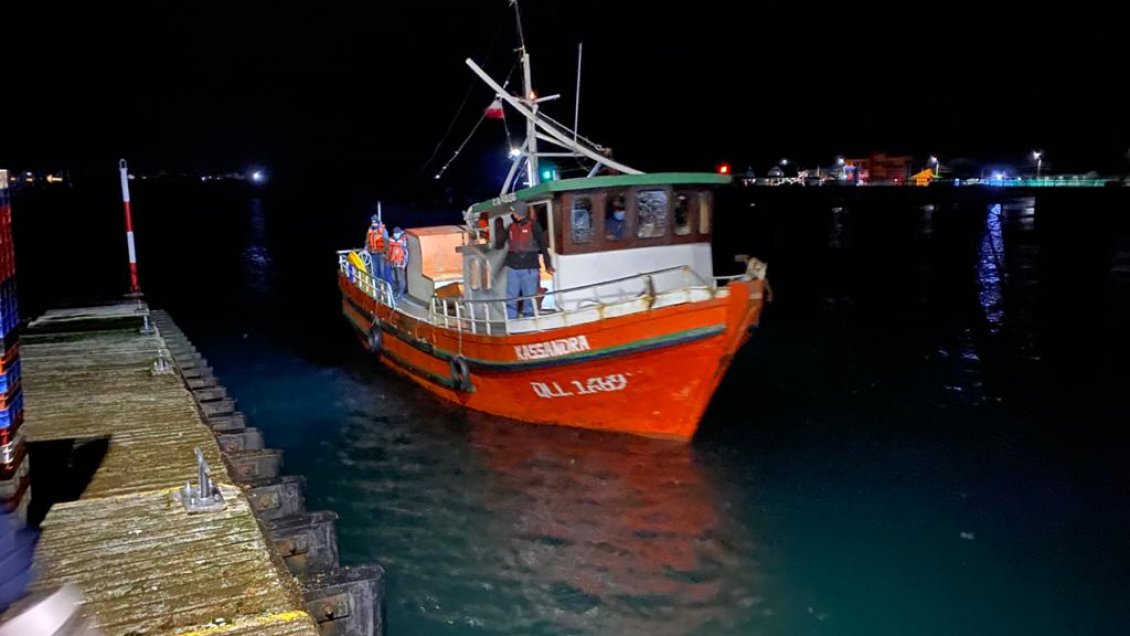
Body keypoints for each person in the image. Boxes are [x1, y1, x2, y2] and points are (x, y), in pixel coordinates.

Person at [495, 201, 553, 319]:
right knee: (511, 298)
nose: (513, 214)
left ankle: (529, 319)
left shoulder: (534, 226)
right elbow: (499, 245)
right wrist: (499, 229)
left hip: (530, 268)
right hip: (513, 268)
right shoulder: (510, 227)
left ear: (519, 212)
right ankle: (511, 320)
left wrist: (548, 264)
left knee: (529, 298)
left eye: (514, 211)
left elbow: (543, 246)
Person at [386, 226, 409, 300]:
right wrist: (388, 260)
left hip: (400, 262)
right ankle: (397, 289)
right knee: (395, 277)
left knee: (401, 278)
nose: (395, 234)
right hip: (393, 262)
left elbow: (406, 252)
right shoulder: (391, 239)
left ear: (400, 233)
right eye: (394, 233)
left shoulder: (403, 241)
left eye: (397, 233)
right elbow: (389, 250)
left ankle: (401, 293)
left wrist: (404, 263)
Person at [365, 214, 388, 284]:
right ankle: (377, 285)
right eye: (372, 222)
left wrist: (385, 253)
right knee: (375, 270)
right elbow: (367, 241)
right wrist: (366, 248)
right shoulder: (369, 230)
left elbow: (387, 242)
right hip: (372, 253)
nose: (373, 224)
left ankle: (383, 285)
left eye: (375, 222)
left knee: (382, 270)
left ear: (378, 222)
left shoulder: (383, 230)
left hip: (381, 254)